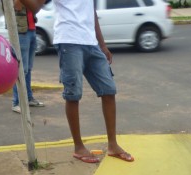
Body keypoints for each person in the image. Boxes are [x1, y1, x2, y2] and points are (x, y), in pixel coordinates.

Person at [52, 0, 134, 164]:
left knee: (109, 90)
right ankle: (78, 147)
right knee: (73, 95)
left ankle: (113, 145)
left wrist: (102, 45)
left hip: (91, 43)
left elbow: (92, 12)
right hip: (69, 40)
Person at [11, 0, 45, 114]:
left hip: (31, 29)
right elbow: (17, 6)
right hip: (21, 31)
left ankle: (29, 98)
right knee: (21, 69)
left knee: (28, 68)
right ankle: (17, 102)